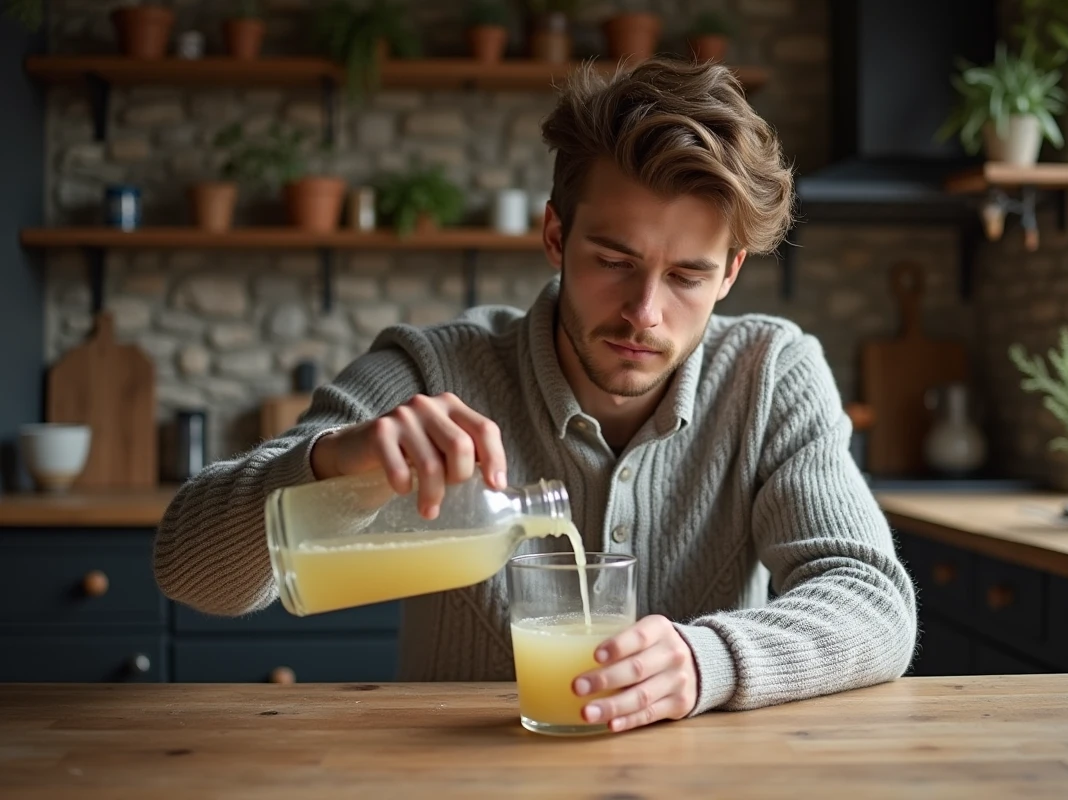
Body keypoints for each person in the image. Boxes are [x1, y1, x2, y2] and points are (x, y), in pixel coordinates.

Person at [155, 57, 917, 734]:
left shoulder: (772, 374)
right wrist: (331, 466)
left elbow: (873, 602)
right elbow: (188, 570)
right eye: (613, 261)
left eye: (687, 276)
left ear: (730, 273)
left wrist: (704, 660)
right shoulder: (433, 370)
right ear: (555, 236)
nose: (645, 313)